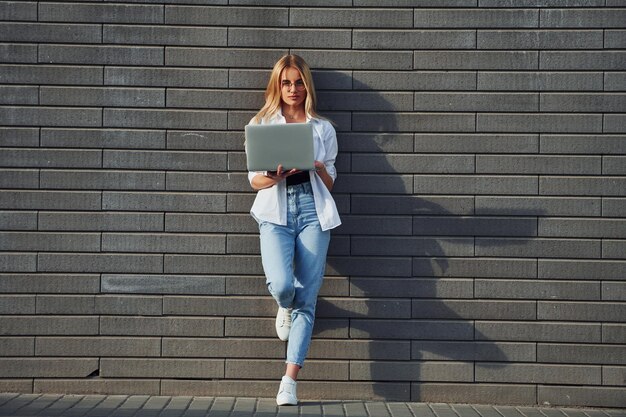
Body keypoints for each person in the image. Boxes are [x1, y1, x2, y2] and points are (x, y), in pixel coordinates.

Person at [245, 54, 341, 406]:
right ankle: (284, 304)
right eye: (286, 83)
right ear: (277, 85)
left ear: (306, 85)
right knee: (285, 286)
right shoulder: (261, 123)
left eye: (299, 82)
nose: (293, 89)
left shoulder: (323, 128)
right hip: (276, 211)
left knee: (309, 295)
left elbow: (330, 181)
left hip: (313, 212)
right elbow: (254, 179)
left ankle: (289, 381)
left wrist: (316, 167)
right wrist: (274, 175)